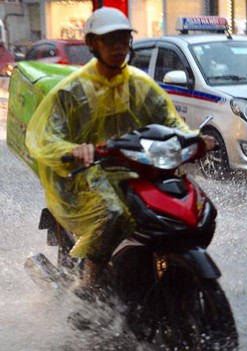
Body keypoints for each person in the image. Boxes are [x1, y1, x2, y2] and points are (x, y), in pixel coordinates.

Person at [25, 7, 215, 293]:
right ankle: (90, 283)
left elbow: (171, 122)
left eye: (123, 39)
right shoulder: (72, 91)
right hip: (85, 176)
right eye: (109, 39)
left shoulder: (141, 85)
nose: (118, 47)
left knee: (190, 206)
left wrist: (195, 139)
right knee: (115, 213)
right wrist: (75, 150)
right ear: (92, 44)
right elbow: (45, 137)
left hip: (138, 168)